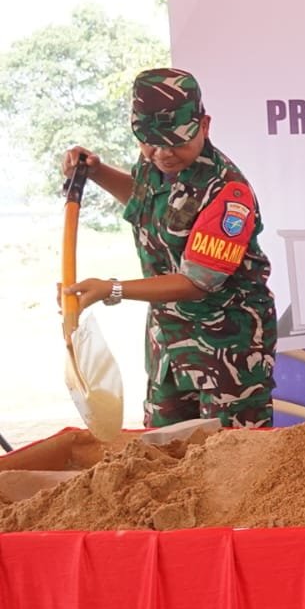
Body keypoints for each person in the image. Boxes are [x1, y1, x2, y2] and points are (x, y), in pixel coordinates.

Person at [61, 67, 277, 429]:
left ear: (204, 126)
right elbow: (147, 201)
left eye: (176, 141)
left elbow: (197, 281)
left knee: (235, 459)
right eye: (150, 141)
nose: (163, 153)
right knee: (164, 450)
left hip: (227, 347)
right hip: (169, 342)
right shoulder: (154, 166)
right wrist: (96, 172)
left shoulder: (228, 192)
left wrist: (111, 289)